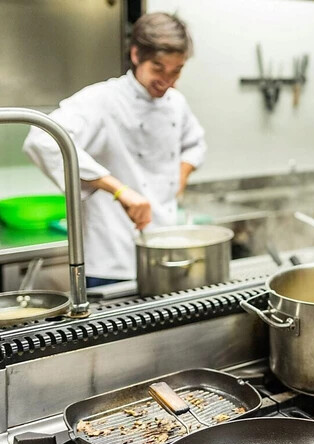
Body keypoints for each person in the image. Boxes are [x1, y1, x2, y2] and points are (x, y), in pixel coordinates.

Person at [24, 12, 206, 288]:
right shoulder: (103, 99)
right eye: (158, 68)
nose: (167, 80)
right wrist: (120, 190)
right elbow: (42, 138)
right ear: (136, 55)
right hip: (110, 257)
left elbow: (194, 144)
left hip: (164, 244)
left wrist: (180, 177)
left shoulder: (176, 103)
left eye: (176, 70)